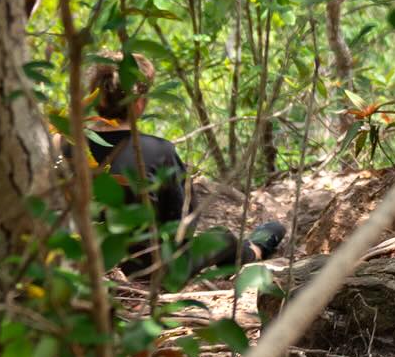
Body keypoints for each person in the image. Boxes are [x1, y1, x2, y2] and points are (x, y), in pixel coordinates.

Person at [70, 53, 285, 279]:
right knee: (224, 237)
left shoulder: (70, 147)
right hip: (151, 272)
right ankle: (254, 250)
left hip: (81, 267)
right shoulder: (158, 151)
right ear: (139, 103)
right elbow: (182, 228)